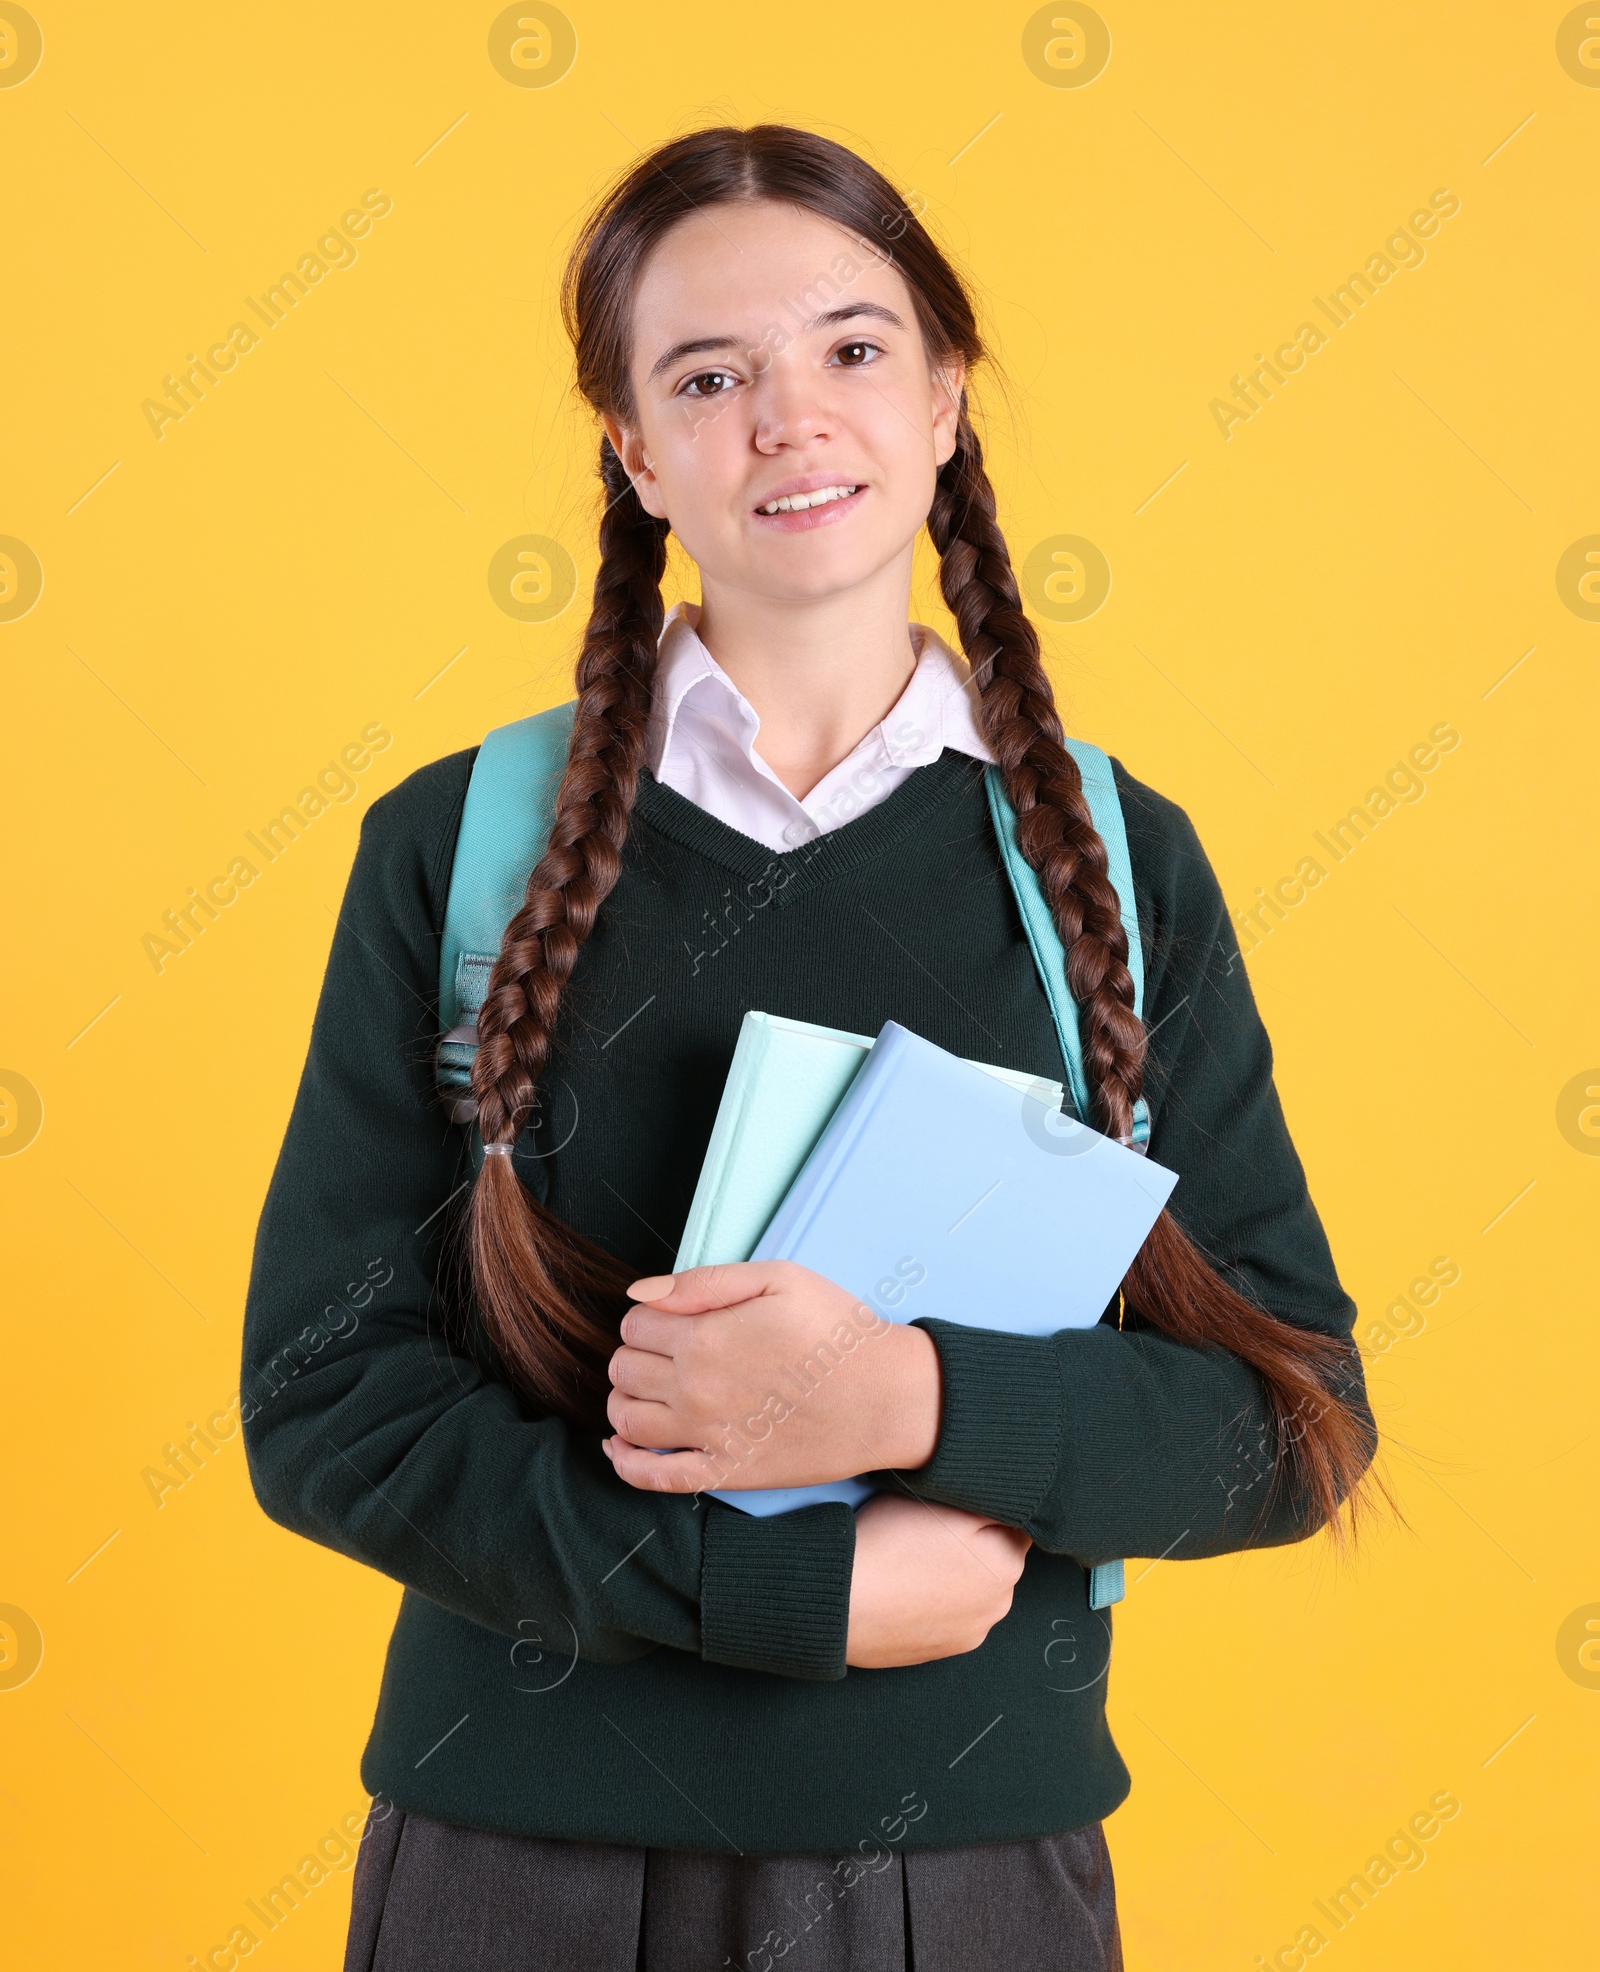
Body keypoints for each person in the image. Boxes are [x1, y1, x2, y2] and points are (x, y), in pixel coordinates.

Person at [241, 124, 1380, 1972]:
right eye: (711, 375)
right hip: (520, 1866)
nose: (792, 418)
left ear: (944, 396)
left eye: (854, 349)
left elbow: (1290, 1421)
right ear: (633, 448)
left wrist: (911, 1402)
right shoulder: (458, 846)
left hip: (967, 1872)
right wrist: (778, 1580)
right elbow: (324, 1405)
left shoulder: (1109, 856)